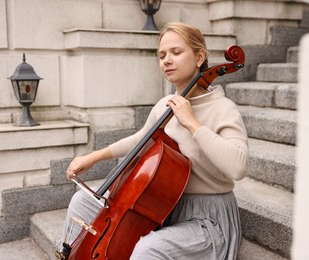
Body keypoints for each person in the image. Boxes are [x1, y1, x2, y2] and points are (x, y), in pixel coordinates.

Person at [60, 22, 249, 260]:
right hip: (164, 206)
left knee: (148, 249)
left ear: (200, 56)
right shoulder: (165, 105)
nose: (167, 60)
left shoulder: (222, 108)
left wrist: (192, 123)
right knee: (81, 202)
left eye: (176, 53)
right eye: (162, 55)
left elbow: (238, 167)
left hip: (207, 219)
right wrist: (93, 157)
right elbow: (142, 139)